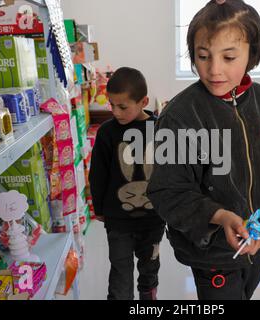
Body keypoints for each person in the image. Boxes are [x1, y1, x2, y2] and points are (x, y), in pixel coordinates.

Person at [147, 0, 260, 300]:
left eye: (229, 56)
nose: (214, 69)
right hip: (212, 253)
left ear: (252, 54)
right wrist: (220, 216)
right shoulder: (181, 116)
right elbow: (168, 191)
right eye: (203, 56)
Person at [89, 67, 165, 300]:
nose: (116, 112)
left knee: (149, 266)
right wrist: (99, 208)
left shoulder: (161, 130)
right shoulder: (107, 132)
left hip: (153, 218)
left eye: (123, 106)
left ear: (143, 102)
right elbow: (98, 173)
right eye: (112, 105)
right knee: (120, 271)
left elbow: (169, 173)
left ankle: (148, 296)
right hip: (118, 220)